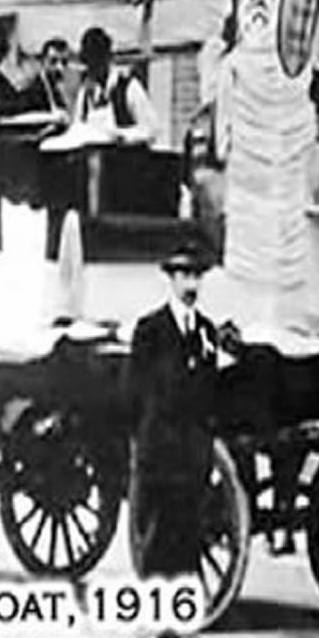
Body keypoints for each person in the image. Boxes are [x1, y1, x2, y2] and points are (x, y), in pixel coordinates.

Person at [128, 242, 219, 584]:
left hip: (193, 455)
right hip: (162, 453)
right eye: (184, 276)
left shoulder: (206, 332)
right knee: (160, 536)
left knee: (190, 537)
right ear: (171, 280)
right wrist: (146, 443)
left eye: (196, 276)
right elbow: (134, 393)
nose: (190, 285)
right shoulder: (150, 330)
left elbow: (210, 393)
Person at [73, 26, 158, 145]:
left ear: (108, 58)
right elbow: (77, 128)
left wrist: (122, 135)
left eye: (98, 61)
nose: (94, 69)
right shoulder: (85, 95)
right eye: (90, 63)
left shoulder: (129, 87)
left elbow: (150, 130)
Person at [22, 37, 71, 117]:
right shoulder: (32, 89)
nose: (59, 68)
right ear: (42, 61)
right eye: (53, 61)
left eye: (64, 62)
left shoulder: (59, 89)